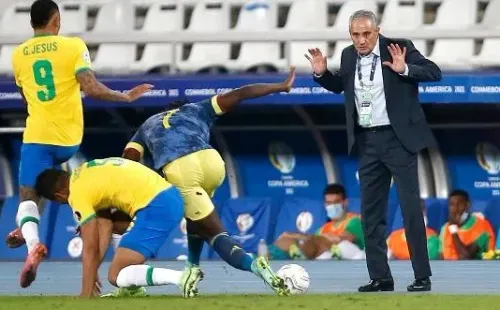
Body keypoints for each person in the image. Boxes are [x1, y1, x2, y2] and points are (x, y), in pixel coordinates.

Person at [107, 67, 296, 297]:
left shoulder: (147, 125)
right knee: (196, 220)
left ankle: (254, 265)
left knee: (214, 234)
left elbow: (129, 161)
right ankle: (192, 267)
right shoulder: (198, 108)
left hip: (179, 167)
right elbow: (241, 93)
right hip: (212, 161)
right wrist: (280, 86)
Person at [6, 0, 152, 288]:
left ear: (31, 23)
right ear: (56, 20)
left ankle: (32, 241)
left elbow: (26, 99)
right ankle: (36, 229)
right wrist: (125, 97)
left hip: (38, 134)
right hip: (70, 138)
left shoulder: (18, 55)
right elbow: (92, 87)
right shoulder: (73, 46)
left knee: (28, 197)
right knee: (49, 184)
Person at [305, 10, 441, 292]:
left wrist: (405, 69)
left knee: (410, 210)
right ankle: (381, 277)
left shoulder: (398, 47)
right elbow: (342, 86)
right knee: (370, 213)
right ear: (350, 34)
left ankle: (422, 277)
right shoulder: (347, 55)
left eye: (366, 34)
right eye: (355, 34)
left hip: (398, 139)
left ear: (377, 31)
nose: (361, 40)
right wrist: (321, 74)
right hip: (366, 141)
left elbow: (433, 72)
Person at [34, 157, 199, 298]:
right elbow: (105, 225)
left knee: (116, 275)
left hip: (156, 206)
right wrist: (92, 272)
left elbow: (90, 248)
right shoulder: (84, 171)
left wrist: (85, 294)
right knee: (108, 223)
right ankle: (132, 291)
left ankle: (182, 277)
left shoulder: (77, 194)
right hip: (167, 196)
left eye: (59, 202)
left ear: (59, 195)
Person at [269, 184, 365, 260]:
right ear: (325, 204)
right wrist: (294, 236)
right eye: (329, 203)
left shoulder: (354, 220)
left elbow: (346, 238)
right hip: (323, 256)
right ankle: (268, 256)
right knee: (285, 239)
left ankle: (299, 255)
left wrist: (325, 239)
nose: (332, 206)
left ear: (345, 202)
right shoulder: (323, 228)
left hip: (349, 254)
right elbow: (314, 239)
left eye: (336, 202)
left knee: (317, 242)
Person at [439, 190, 495, 260]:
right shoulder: (445, 228)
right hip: (448, 269)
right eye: (452, 205)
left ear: (467, 205)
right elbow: (441, 256)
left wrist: (453, 229)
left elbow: (466, 256)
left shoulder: (482, 226)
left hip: (473, 270)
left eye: (460, 204)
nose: (456, 209)